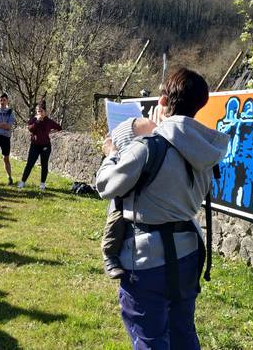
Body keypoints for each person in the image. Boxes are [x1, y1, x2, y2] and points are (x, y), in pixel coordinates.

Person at [95, 68, 229, 349]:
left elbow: (106, 184)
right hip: (189, 252)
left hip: (147, 258)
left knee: (150, 338)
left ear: (163, 101)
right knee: (183, 333)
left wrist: (111, 154)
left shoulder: (147, 147)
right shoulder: (205, 149)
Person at [100, 117, 158, 279]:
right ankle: (110, 256)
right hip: (125, 187)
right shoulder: (128, 149)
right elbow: (106, 183)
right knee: (116, 218)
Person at [18, 100, 62, 190]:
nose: (40, 113)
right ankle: (22, 182)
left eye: (41, 111)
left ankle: (42, 184)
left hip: (45, 145)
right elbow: (30, 129)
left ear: (45, 112)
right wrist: (37, 121)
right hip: (35, 145)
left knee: (44, 164)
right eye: (38, 111)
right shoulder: (34, 120)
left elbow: (59, 128)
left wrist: (49, 132)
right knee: (30, 164)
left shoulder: (49, 121)